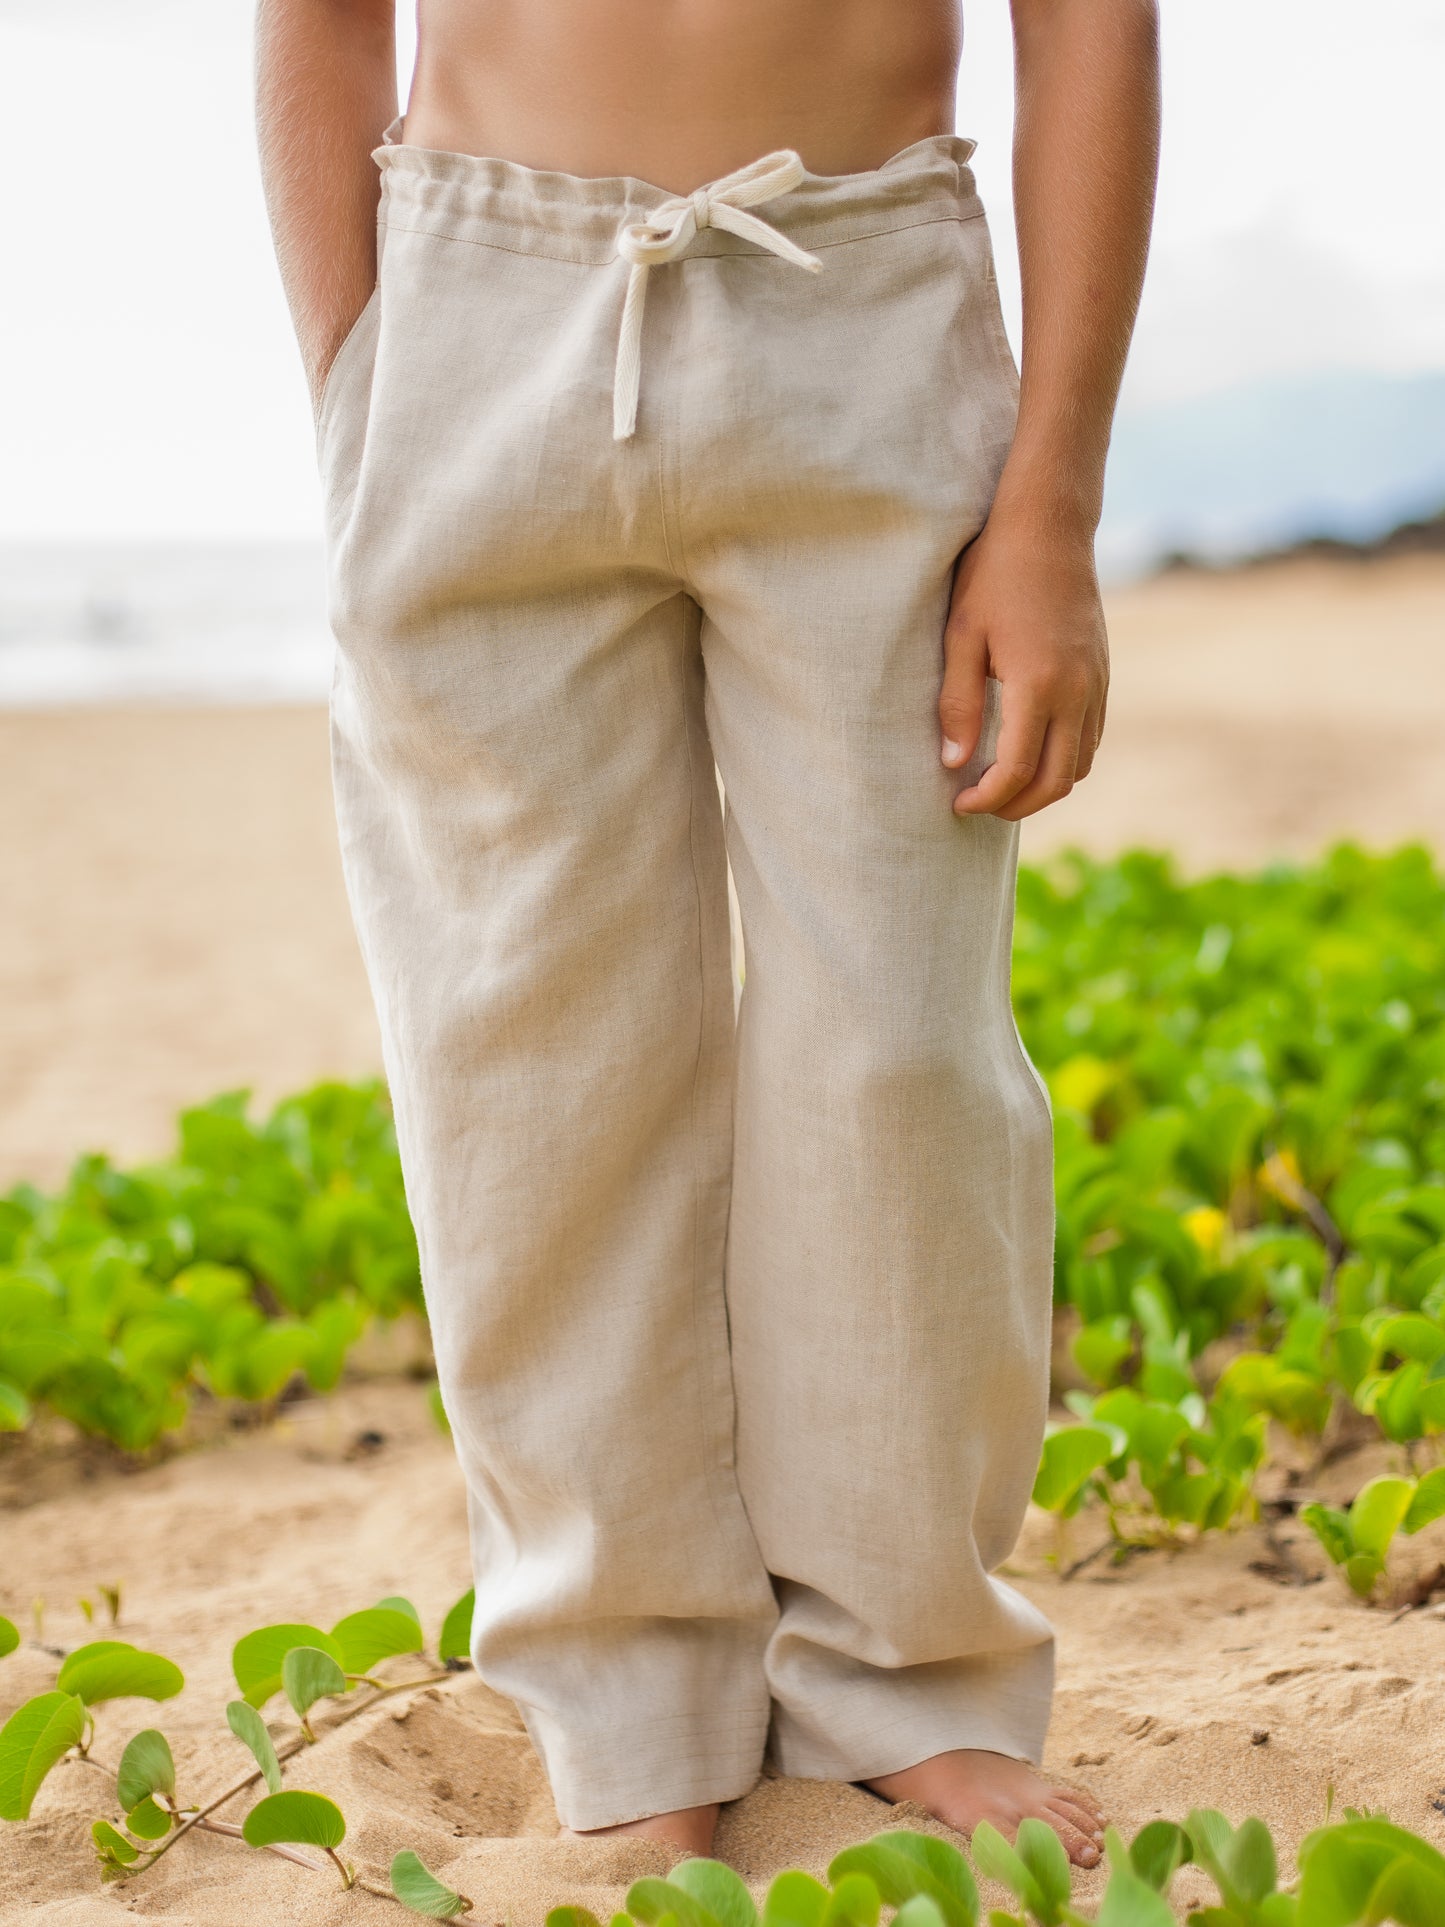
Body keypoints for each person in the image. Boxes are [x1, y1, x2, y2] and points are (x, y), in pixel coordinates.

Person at [256, 0, 1159, 1871]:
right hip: (474, 311)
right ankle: (626, 1683)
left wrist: (1050, 501)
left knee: (895, 1049)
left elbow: (1086, 24)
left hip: (860, 298)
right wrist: (360, 384)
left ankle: (903, 1667)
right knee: (531, 1054)